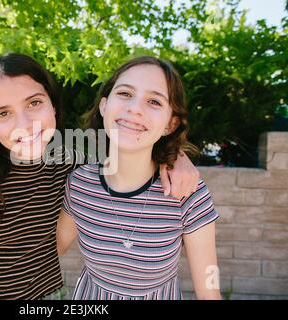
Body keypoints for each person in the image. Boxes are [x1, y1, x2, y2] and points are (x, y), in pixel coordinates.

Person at [0, 53, 200, 300]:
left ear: (52, 105)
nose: (25, 123)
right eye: (4, 113)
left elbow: (134, 139)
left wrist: (174, 157)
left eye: (34, 103)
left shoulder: (70, 152)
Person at [57, 56, 221, 300]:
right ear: (104, 106)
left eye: (154, 101)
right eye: (124, 93)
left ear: (170, 124)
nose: (135, 108)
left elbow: (210, 288)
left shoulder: (187, 191)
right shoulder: (80, 184)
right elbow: (46, 255)